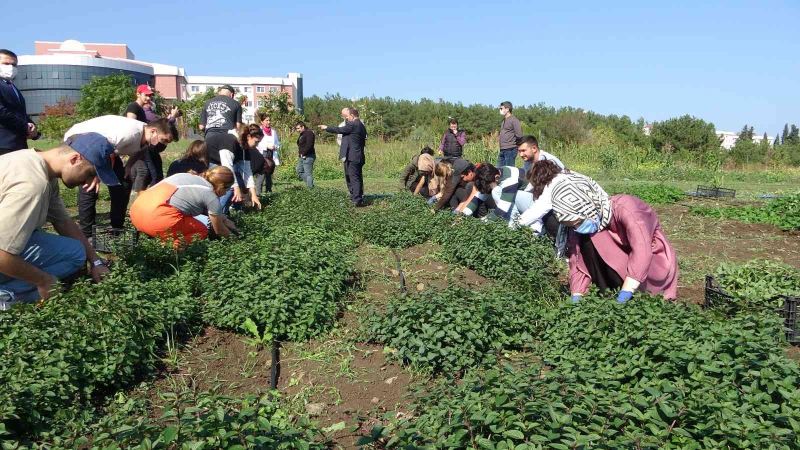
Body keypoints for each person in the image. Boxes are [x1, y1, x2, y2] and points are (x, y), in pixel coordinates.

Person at [529, 160, 678, 303]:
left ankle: (631, 297)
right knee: (585, 241)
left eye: (578, 223)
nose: (577, 228)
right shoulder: (590, 222)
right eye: (572, 225)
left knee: (596, 237)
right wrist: (577, 295)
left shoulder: (627, 208)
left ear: (585, 207)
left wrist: (626, 293)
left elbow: (642, 251)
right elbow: (576, 261)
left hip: (652, 266)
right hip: (619, 265)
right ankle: (608, 294)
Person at [0, 133, 114, 307]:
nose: (89, 182)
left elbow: (63, 222)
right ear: (75, 159)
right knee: (49, 276)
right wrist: (43, 280)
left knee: (76, 252)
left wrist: (96, 261)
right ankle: (6, 296)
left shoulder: (37, 163)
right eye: (90, 173)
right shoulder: (31, 185)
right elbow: (1, 254)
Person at [64, 115, 174, 237]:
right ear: (153, 131)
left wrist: (128, 167)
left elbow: (139, 150)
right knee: (90, 187)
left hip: (106, 149)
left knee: (123, 183)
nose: (164, 145)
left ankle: (116, 227)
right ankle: (87, 233)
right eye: (164, 140)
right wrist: (97, 174)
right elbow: (104, 152)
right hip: (81, 140)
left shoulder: (146, 136)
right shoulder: (129, 134)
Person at [130, 166, 239, 248]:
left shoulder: (189, 177)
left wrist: (225, 219)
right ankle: (168, 249)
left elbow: (212, 213)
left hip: (136, 212)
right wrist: (237, 241)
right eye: (227, 189)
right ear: (221, 186)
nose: (225, 194)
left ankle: (155, 239)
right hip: (156, 220)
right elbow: (219, 229)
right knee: (202, 230)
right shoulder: (211, 195)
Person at [320, 107, 368, 206]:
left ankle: (357, 200)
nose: (347, 119)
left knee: (354, 178)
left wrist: (326, 128)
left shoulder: (354, 124)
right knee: (356, 177)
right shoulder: (361, 125)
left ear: (352, 115)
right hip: (358, 155)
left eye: (347, 116)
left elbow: (339, 129)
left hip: (353, 156)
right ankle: (357, 197)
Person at [464, 163, 534, 224]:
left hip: (532, 202)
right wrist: (462, 216)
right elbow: (477, 199)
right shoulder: (491, 174)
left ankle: (514, 225)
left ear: (496, 177)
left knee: (495, 191)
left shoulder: (509, 180)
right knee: (494, 190)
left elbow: (501, 210)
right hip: (521, 200)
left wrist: (479, 223)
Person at [0, 49, 39, 156]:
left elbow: (19, 112)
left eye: (14, 65)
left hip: (18, 144)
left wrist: (34, 130)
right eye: (6, 63)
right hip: (3, 144)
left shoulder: (12, 86)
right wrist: (25, 127)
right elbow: (2, 112)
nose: (11, 67)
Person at [254, 113, 279, 195]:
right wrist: (266, 146)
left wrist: (276, 146)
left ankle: (268, 193)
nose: (269, 122)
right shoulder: (259, 131)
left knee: (269, 175)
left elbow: (277, 143)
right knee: (261, 175)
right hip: (261, 155)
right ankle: (258, 195)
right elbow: (256, 143)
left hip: (271, 155)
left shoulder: (273, 132)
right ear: (262, 122)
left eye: (269, 120)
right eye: (266, 120)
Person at [498, 101, 522, 167]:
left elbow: (519, 135)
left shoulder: (514, 120)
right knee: (499, 171)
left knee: (509, 171)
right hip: (502, 149)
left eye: (501, 108)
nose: (500, 110)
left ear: (507, 109)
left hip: (510, 149)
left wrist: (515, 146)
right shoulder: (504, 120)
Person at [295, 121, 316, 188]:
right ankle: (310, 184)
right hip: (302, 156)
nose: (297, 130)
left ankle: (310, 189)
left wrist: (303, 153)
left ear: (303, 127)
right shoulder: (302, 133)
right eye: (297, 129)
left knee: (308, 173)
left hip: (309, 156)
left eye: (298, 128)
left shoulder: (309, 133)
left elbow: (309, 145)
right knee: (299, 170)